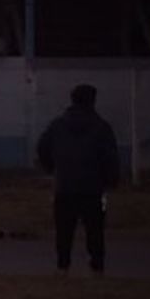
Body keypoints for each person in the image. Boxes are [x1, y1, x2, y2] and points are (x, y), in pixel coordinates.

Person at [36, 84, 120, 275]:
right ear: (93, 101)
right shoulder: (101, 128)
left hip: (64, 186)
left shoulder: (58, 126)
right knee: (95, 230)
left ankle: (63, 266)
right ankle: (96, 266)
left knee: (64, 230)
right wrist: (110, 181)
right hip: (93, 188)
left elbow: (42, 148)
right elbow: (110, 157)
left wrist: (53, 168)